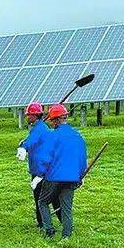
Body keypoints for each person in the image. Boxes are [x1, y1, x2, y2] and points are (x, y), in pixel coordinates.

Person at [37, 103, 87, 238]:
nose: (51, 124)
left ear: (57, 120)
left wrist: (39, 174)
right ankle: (67, 236)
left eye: (52, 121)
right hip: (71, 177)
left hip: (53, 177)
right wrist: (81, 176)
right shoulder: (77, 136)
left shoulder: (51, 137)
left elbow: (45, 158)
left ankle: (49, 230)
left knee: (43, 202)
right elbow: (82, 159)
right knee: (66, 208)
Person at [16, 101, 58, 227]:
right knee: (48, 197)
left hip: (40, 169)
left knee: (40, 198)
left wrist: (24, 147)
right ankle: (50, 221)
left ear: (35, 115)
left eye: (29, 115)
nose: (27, 117)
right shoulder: (40, 127)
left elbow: (31, 140)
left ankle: (43, 224)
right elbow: (32, 140)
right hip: (44, 168)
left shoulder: (39, 129)